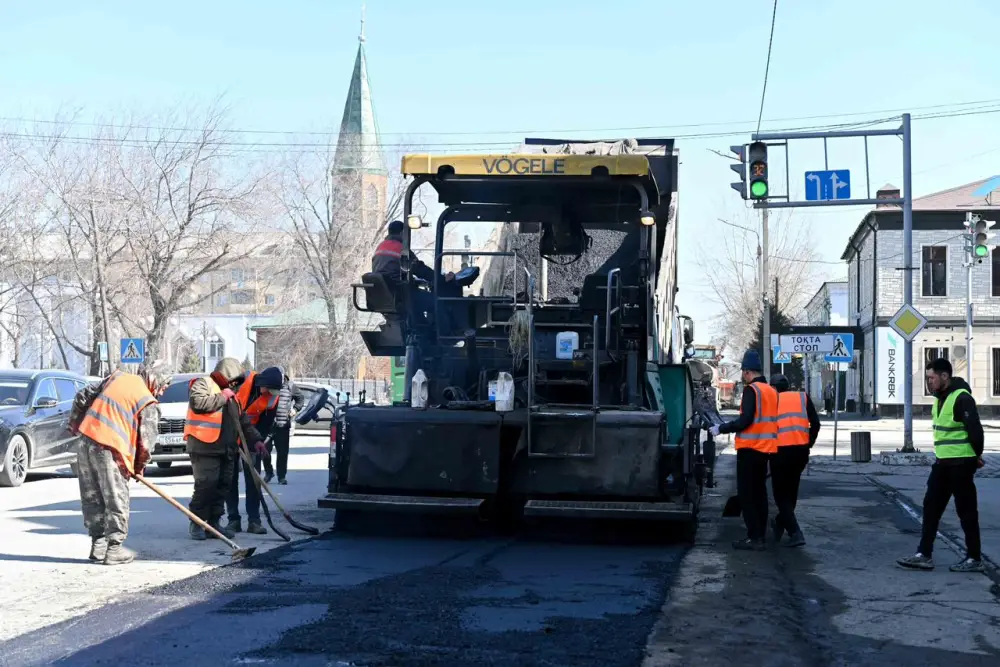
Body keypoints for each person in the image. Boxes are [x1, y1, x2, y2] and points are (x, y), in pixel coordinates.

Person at [70, 363, 171, 565]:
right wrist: (138, 468)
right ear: (155, 379)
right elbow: (146, 444)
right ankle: (114, 548)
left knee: (92, 495)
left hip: (85, 441)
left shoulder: (116, 378)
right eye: (163, 386)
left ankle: (98, 544)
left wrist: (75, 425)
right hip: (110, 448)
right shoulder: (147, 401)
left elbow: (82, 396)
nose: (161, 392)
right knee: (116, 497)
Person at [897, 358, 986, 573]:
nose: (929, 382)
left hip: (961, 465)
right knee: (931, 509)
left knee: (966, 512)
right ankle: (924, 554)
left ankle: (974, 558)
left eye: (932, 378)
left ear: (945, 376)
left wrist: (976, 456)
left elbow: (976, 431)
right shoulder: (940, 399)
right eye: (927, 378)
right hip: (942, 464)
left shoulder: (961, 398)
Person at [185, 358, 265, 541]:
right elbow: (198, 403)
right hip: (204, 447)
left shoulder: (232, 395)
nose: (236, 385)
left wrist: (256, 440)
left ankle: (213, 524)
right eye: (234, 380)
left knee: (222, 486)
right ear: (227, 375)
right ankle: (197, 523)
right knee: (206, 485)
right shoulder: (204, 384)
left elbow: (243, 421)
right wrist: (223, 396)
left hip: (226, 449)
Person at [710, 349, 778, 550]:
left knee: (747, 495)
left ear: (747, 371)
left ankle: (754, 538)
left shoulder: (752, 390)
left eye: (743, 372)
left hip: (749, 450)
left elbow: (745, 420)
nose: (743, 376)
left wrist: (721, 428)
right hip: (765, 450)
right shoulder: (771, 391)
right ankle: (760, 536)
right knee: (760, 494)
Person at [224, 365, 283, 535]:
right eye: (269, 390)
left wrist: (258, 441)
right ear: (262, 383)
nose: (270, 394)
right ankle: (233, 520)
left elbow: (266, 423)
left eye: (273, 391)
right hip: (229, 436)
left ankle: (254, 521)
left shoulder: (272, 398)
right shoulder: (241, 382)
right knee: (230, 479)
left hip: (251, 438)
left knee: (254, 480)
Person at [372, 220, 459, 327]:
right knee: (437, 303)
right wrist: (441, 279)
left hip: (384, 294)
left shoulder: (381, 246)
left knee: (416, 312)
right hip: (400, 294)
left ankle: (422, 331)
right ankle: (446, 334)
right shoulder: (400, 248)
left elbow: (392, 271)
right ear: (402, 233)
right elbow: (419, 269)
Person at [769, 374, 821, 547]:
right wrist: (809, 443)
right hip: (800, 452)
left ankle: (795, 532)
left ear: (773, 387)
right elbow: (815, 423)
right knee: (791, 492)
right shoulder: (802, 397)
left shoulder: (772, 400)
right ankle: (779, 522)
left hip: (780, 452)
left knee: (780, 494)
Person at [265, 371, 304, 485]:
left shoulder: (290, 386)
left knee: (282, 453)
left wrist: (295, 409)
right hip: (268, 425)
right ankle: (269, 472)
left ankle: (281, 476)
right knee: (264, 451)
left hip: (283, 426)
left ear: (283, 377)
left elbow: (300, 398)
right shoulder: (268, 385)